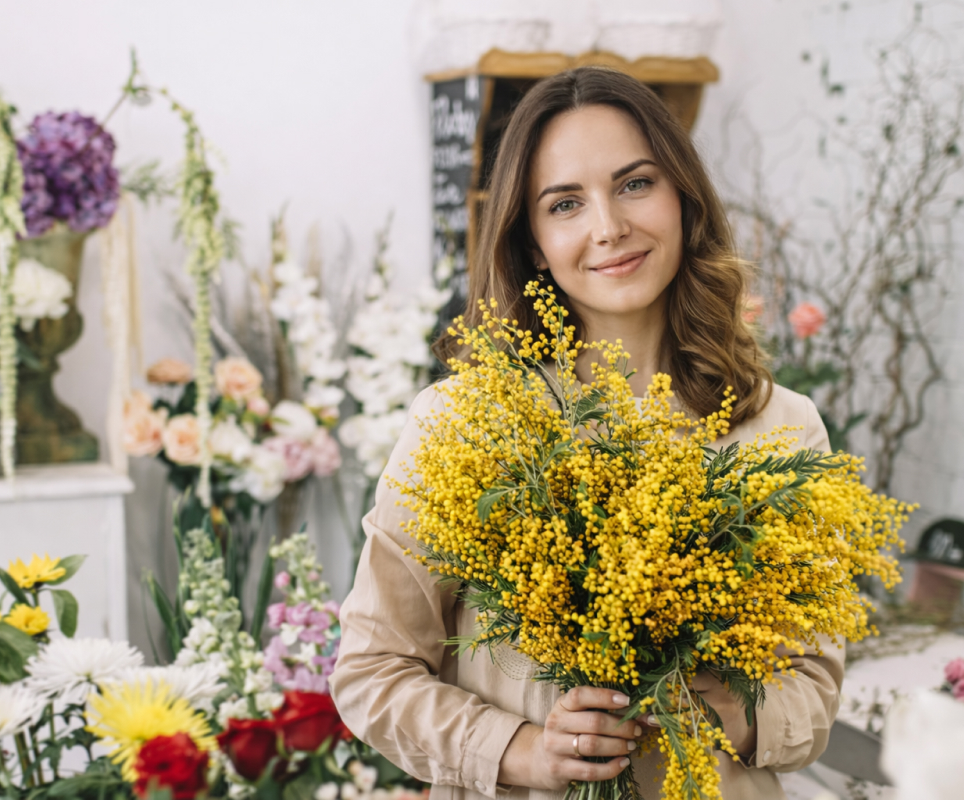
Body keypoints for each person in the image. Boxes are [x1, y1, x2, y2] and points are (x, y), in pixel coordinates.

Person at [330, 66, 842, 800]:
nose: (609, 227)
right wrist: (526, 751)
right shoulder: (463, 426)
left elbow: (814, 687)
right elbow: (371, 673)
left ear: (682, 196)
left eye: (636, 183)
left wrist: (725, 713)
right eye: (565, 203)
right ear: (533, 242)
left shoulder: (780, 429)